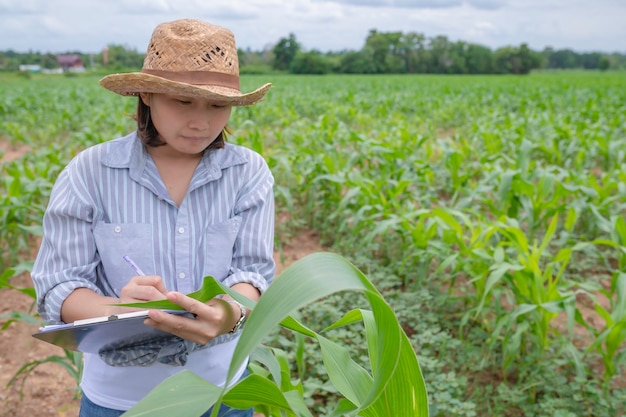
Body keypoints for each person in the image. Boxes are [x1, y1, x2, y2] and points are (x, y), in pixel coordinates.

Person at [31, 18, 275, 417]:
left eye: (217, 105)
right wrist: (120, 308)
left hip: (223, 393)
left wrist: (227, 313)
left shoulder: (247, 172)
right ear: (146, 94)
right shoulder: (90, 172)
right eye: (183, 101)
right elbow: (60, 285)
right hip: (120, 400)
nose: (201, 122)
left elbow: (252, 272)